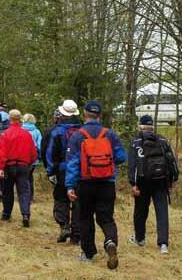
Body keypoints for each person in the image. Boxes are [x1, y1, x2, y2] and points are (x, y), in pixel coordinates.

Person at [65, 100, 127, 269]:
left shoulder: (78, 135)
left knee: (85, 218)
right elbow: (121, 157)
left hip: (84, 183)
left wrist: (70, 186)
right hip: (107, 183)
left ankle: (88, 253)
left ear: (85, 115)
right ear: (100, 116)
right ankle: (110, 241)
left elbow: (72, 163)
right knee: (106, 218)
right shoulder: (110, 134)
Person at [128, 115, 179, 254]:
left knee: (140, 210)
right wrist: (172, 179)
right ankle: (163, 244)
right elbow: (171, 161)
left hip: (142, 181)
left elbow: (132, 165)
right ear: (152, 126)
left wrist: (133, 184)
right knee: (162, 212)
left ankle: (140, 238)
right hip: (161, 180)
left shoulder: (135, 142)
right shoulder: (163, 140)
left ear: (140, 126)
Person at [46, 100, 82, 244]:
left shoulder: (57, 132)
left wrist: (51, 172)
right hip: (80, 171)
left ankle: (64, 225)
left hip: (62, 170)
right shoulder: (83, 131)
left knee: (61, 199)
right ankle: (76, 235)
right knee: (78, 202)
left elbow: (50, 154)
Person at [0, 109, 37, 228]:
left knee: (8, 191)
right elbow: (33, 152)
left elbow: (2, 153)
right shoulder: (27, 134)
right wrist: (29, 163)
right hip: (23, 166)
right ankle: (25, 214)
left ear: (10, 119)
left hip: (9, 165)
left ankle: (6, 213)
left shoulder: (5, 134)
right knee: (24, 191)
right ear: (20, 119)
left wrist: (1, 167)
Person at [22, 114, 42, 202]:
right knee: (30, 176)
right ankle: (30, 196)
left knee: (22, 177)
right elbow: (39, 145)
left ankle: (24, 195)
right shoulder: (37, 132)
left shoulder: (21, 130)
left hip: (22, 157)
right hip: (33, 158)